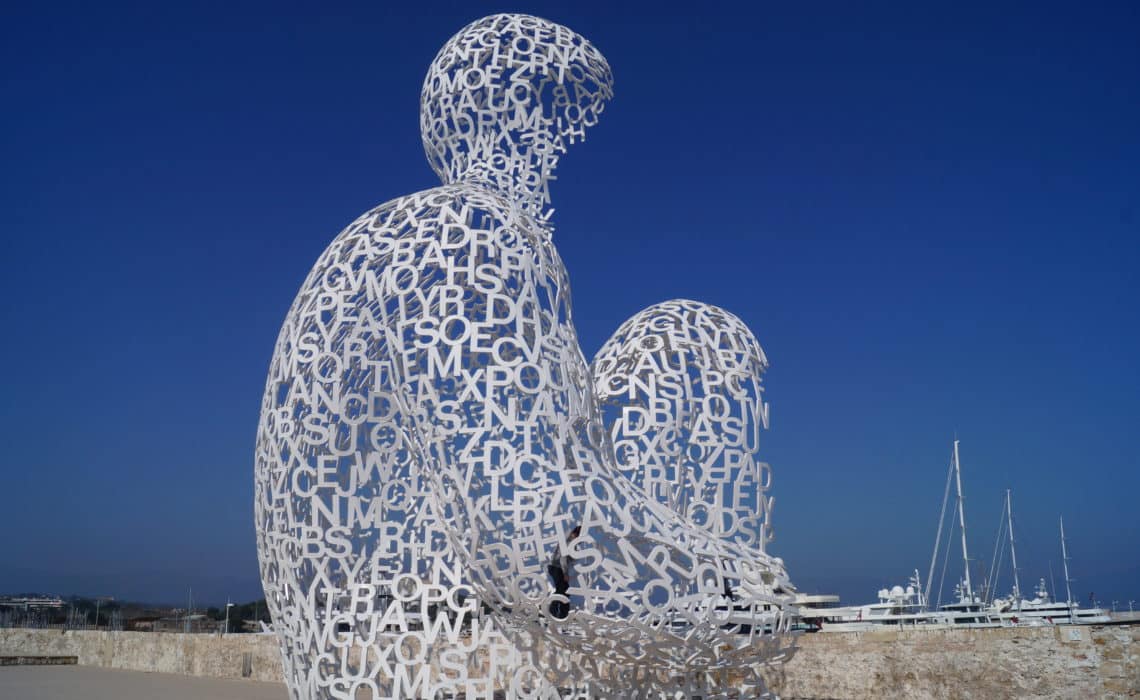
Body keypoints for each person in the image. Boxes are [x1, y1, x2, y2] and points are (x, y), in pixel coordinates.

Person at [548, 526, 581, 619]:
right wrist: (565, 573)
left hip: (555, 567)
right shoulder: (568, 542)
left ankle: (561, 614)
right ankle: (553, 612)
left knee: (564, 591)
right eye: (578, 536)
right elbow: (563, 558)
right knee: (562, 591)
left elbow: (566, 557)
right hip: (557, 568)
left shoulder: (568, 541)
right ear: (575, 534)